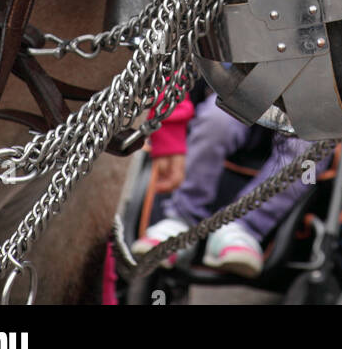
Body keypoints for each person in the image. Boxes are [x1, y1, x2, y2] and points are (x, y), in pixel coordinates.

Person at [132, 93, 331, 278]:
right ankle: (180, 218)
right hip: (248, 88)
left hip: (314, 105)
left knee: (311, 152)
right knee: (216, 120)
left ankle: (243, 229)